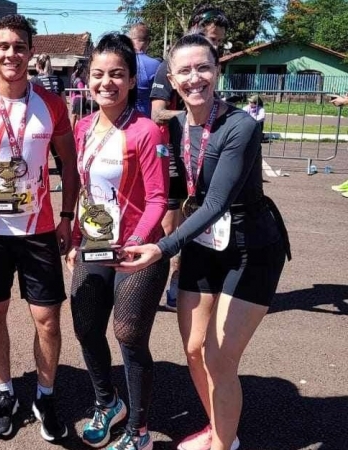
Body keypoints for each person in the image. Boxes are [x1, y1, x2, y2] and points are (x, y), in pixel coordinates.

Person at [120, 34, 291, 450]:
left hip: (251, 247)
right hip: (202, 244)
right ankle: (221, 431)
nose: (194, 77)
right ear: (172, 79)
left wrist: (162, 247)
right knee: (194, 348)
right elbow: (165, 192)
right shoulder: (171, 127)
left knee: (219, 356)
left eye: (203, 68)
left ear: (217, 71)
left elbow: (216, 201)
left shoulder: (241, 126)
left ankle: (222, 446)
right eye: (185, 70)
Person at [0, 13, 79, 442]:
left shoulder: (52, 104)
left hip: (38, 229)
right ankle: (5, 393)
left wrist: (65, 216)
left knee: (48, 320)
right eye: (3, 46)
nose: (11, 54)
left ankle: (44, 394)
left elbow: (70, 166)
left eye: (19, 46)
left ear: (31, 52)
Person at [66, 32, 169, 450]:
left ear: (130, 81)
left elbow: (160, 198)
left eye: (117, 74)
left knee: (128, 333)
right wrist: (74, 238)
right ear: (87, 79)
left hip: (138, 251)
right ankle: (107, 403)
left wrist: (137, 242)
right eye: (98, 74)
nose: (106, 82)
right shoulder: (83, 126)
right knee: (86, 325)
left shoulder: (146, 131)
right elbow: (82, 189)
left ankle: (139, 431)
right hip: (93, 245)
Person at [150, 5, 230, 311]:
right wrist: (193, 116)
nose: (214, 46)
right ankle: (152, 286)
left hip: (203, 158)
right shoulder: (170, 65)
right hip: (172, 157)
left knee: (198, 223)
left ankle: (180, 285)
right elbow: (157, 113)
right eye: (210, 38)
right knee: (170, 228)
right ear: (195, 27)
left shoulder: (210, 65)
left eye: (219, 43)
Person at [30, 53, 66, 187]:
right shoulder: (59, 79)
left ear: (38, 65)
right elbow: (63, 102)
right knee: (59, 155)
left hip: (41, 122)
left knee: (38, 154)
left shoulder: (34, 81)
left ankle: (37, 181)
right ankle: (64, 180)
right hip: (57, 122)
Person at [128, 23, 160, 117]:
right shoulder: (156, 64)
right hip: (146, 114)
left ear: (130, 39)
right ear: (148, 41)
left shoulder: (122, 61)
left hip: (122, 114)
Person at [70, 61, 93, 130]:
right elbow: (82, 91)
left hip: (74, 99)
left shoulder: (74, 78)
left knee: (74, 117)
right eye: (83, 72)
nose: (84, 74)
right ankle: (80, 130)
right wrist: (86, 97)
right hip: (80, 100)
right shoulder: (79, 81)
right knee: (81, 118)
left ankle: (73, 130)